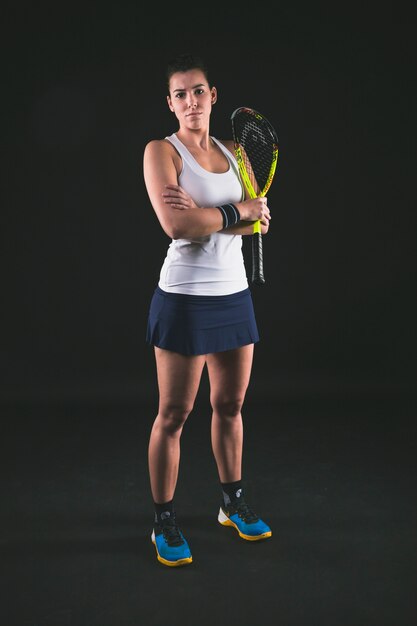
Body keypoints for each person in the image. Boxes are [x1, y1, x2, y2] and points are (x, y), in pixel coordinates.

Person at [143, 52, 272, 567]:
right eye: (180, 94)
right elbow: (176, 228)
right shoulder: (161, 151)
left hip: (234, 293)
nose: (191, 101)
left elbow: (253, 225)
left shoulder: (237, 151)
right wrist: (237, 211)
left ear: (212, 96)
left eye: (199, 91)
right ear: (170, 103)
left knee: (231, 407)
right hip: (183, 298)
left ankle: (231, 503)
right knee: (174, 414)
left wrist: (221, 216)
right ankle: (164, 521)